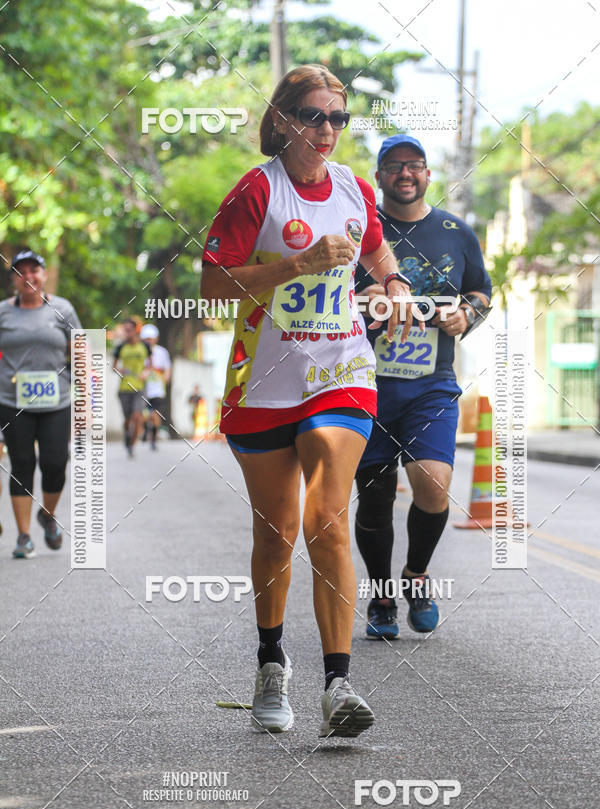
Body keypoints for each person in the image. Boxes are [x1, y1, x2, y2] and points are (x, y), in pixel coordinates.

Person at [201, 65, 418, 738]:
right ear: (286, 120)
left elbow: (377, 252)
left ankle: (339, 683)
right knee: (277, 535)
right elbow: (212, 291)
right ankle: (271, 662)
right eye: (315, 116)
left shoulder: (354, 186)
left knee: (327, 518)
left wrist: (396, 283)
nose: (328, 131)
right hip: (265, 383)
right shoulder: (256, 191)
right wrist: (297, 264)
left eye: (338, 119)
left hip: (342, 369)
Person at [353, 135, 492, 639]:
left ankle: (415, 575)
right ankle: (382, 597)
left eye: (414, 166)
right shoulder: (361, 229)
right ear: (379, 175)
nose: (405, 174)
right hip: (364, 385)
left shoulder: (456, 232)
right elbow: (328, 292)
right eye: (394, 166)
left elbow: (482, 290)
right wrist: (361, 295)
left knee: (433, 483)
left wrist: (466, 314)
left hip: (431, 384)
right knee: (374, 497)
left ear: (429, 174)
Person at [0, 249, 82, 558]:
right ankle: (23, 537)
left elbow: (80, 352)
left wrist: (85, 398)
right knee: (21, 465)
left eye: (34, 270)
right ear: (13, 280)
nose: (28, 276)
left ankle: (47, 515)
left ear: (44, 275)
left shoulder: (63, 309)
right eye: (21, 272)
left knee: (55, 464)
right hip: (12, 401)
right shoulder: (3, 312)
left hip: (56, 401)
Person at [112, 318, 151, 457]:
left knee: (137, 416)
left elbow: (149, 364)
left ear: (135, 330)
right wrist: (119, 370)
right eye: (125, 330)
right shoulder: (120, 347)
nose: (126, 332)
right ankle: (127, 437)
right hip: (124, 388)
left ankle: (132, 445)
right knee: (128, 419)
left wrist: (146, 373)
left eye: (129, 329)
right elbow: (114, 367)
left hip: (139, 387)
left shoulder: (145, 346)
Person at [140, 323, 171, 449]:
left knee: (155, 414)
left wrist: (166, 377)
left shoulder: (161, 351)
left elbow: (167, 367)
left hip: (157, 387)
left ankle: (154, 437)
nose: (149, 340)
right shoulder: (140, 351)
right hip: (143, 386)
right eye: (146, 338)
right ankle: (146, 430)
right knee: (144, 414)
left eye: (150, 338)